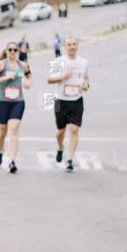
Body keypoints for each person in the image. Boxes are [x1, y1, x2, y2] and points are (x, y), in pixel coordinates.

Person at [0, 42, 32, 173]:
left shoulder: (22, 65)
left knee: (13, 130)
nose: (12, 52)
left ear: (18, 51)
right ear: (6, 51)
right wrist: (7, 77)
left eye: (15, 50)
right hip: (2, 101)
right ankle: (0, 151)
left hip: (18, 101)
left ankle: (12, 161)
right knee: (3, 131)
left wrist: (28, 83)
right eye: (10, 49)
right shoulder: (1, 65)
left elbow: (29, 76)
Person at [47, 36, 90, 173]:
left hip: (77, 100)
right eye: (69, 44)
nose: (72, 46)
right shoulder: (58, 61)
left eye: (74, 44)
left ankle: (69, 160)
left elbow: (86, 78)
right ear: (65, 47)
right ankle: (60, 147)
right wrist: (63, 76)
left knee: (74, 130)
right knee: (60, 132)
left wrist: (86, 85)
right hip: (61, 100)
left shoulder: (84, 62)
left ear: (77, 46)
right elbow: (49, 79)